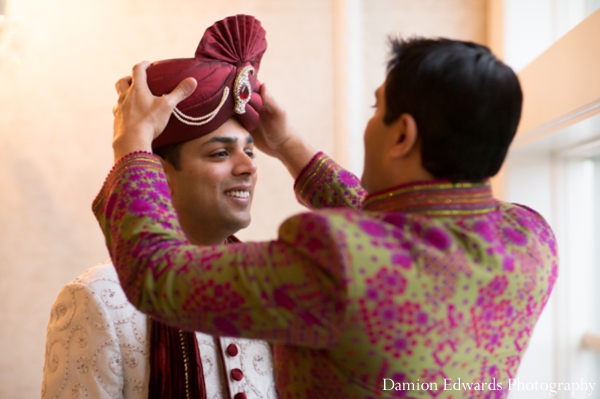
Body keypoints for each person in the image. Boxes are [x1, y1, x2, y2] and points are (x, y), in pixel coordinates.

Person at [93, 37, 558, 398]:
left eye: (378, 110)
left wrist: (132, 147)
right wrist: (290, 145)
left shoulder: (335, 259)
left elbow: (157, 275)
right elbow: (405, 237)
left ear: (402, 136)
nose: (247, 165)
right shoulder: (531, 237)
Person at [42, 15, 276, 399]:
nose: (249, 167)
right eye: (221, 153)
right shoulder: (100, 297)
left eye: (250, 151)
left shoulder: (269, 285)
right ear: (159, 173)